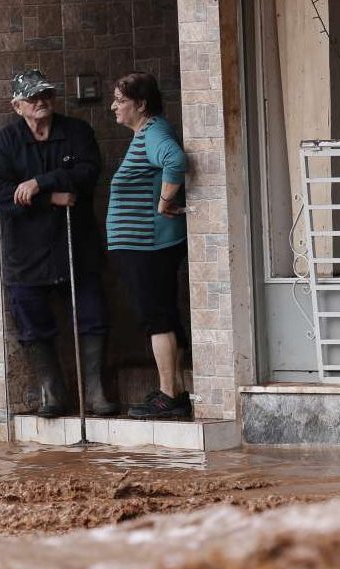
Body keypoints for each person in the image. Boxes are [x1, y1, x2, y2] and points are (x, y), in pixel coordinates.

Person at [0, 69, 118, 418]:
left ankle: (95, 391)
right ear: (18, 106)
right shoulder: (6, 143)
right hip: (27, 251)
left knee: (92, 314)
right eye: (32, 98)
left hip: (75, 243)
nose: (41, 101)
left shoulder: (76, 132)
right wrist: (51, 198)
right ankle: (51, 391)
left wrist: (40, 182)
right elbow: (2, 196)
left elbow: (89, 173)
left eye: (45, 94)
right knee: (30, 317)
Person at [107, 71, 192, 419]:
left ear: (141, 105)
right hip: (142, 246)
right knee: (161, 316)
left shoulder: (154, 132)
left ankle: (170, 394)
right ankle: (174, 390)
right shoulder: (146, 133)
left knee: (156, 318)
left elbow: (175, 160)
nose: (114, 106)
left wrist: (164, 202)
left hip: (149, 245)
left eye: (121, 100)